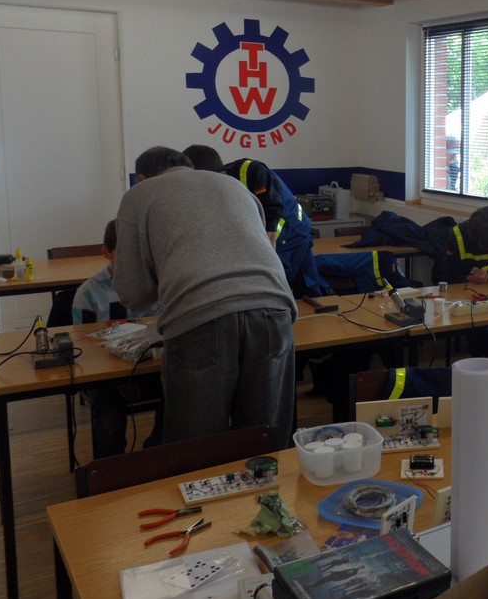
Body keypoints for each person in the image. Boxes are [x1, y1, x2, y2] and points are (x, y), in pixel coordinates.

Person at [114, 146, 298, 448]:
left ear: (143, 177)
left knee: (197, 450)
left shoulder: (140, 194)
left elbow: (133, 293)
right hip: (274, 310)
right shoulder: (235, 187)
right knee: (264, 444)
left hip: (200, 318)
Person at [183, 145, 322, 299]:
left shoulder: (253, 171)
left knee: (285, 286)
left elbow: (272, 214)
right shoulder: (210, 188)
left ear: (222, 175)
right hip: (268, 238)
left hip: (291, 232)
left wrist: (266, 258)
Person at [72, 219, 162, 457]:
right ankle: (111, 468)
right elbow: (84, 352)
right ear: (106, 252)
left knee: (182, 392)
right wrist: (117, 376)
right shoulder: (88, 294)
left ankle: (156, 453)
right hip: (106, 377)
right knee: (109, 415)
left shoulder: (158, 287)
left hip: (149, 368)